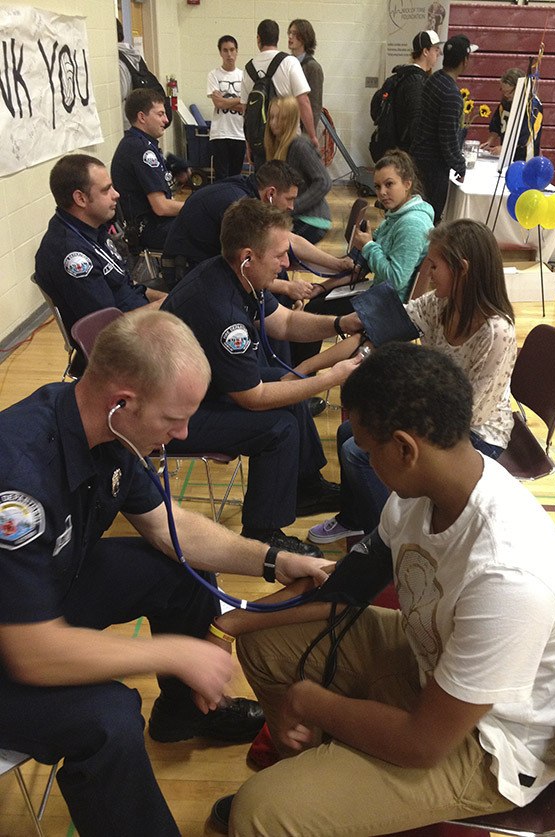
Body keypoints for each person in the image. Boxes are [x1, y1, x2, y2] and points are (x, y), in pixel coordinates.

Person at [206, 342, 555, 836]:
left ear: (405, 448)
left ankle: (304, 805)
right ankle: (319, 796)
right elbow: (345, 590)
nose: (362, 459)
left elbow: (423, 743)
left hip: (490, 745)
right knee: (263, 643)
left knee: (260, 812)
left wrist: (309, 701)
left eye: (367, 450)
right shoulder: (428, 489)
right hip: (434, 663)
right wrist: (231, 623)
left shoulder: (509, 577)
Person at [0, 308, 334, 837]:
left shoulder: (104, 430)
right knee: (108, 718)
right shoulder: (17, 478)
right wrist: (178, 653)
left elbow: (170, 528)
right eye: (172, 419)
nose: (181, 435)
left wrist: (273, 560)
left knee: (175, 570)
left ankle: (185, 714)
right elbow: (31, 652)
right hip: (17, 641)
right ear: (122, 402)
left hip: (38, 597)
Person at [161, 198, 364, 556]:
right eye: (280, 255)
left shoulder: (233, 274)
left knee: (289, 388)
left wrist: (338, 324)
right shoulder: (219, 310)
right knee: (278, 426)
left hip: (202, 387)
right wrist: (331, 376)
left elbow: (283, 322)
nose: (287, 263)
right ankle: (263, 533)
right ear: (247, 257)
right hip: (172, 416)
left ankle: (304, 488)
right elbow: (252, 398)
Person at [308, 218, 516, 544]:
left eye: (434, 265)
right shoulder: (440, 304)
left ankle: (388, 540)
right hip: (433, 410)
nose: (428, 272)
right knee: (350, 430)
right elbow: (381, 329)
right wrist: (309, 368)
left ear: (462, 269)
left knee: (357, 451)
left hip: (475, 431)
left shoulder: (496, 332)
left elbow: (471, 414)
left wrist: (403, 416)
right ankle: (355, 517)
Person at [291, 149, 434, 366]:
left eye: (389, 184)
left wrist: (368, 246)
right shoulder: (396, 216)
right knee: (318, 302)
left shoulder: (412, 224)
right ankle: (300, 375)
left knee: (314, 311)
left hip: (394, 307)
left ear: (407, 183)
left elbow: (395, 280)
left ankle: (301, 379)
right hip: (380, 294)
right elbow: (364, 266)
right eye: (378, 187)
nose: (382, 192)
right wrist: (324, 286)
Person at [162, 159, 352, 289]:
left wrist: (337, 264)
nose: (292, 207)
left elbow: (289, 239)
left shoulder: (246, 190)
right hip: (185, 272)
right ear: (271, 193)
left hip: (200, 262)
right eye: (289, 199)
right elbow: (246, 269)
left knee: (279, 279)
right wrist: (287, 288)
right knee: (276, 292)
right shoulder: (238, 204)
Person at [35, 154, 165, 342]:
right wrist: (168, 305)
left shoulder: (93, 228)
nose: (116, 194)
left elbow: (129, 287)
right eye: (106, 190)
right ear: (80, 198)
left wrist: (170, 299)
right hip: (121, 346)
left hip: (138, 322)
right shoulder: (72, 255)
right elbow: (108, 328)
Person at [410, 34, 478, 224]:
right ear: (465, 61)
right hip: (433, 167)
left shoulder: (434, 79)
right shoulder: (451, 94)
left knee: (417, 213)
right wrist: (460, 164)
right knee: (429, 218)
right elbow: (447, 139)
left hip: (419, 158)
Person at [111, 88, 183, 251]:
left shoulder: (139, 143)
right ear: (142, 117)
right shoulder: (141, 150)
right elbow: (161, 207)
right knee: (209, 232)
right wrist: (196, 207)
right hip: (149, 229)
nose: (165, 120)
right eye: (160, 114)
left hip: (154, 224)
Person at [241, 19, 318, 169]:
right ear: (278, 38)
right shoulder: (289, 62)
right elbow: (303, 101)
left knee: (264, 186)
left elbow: (246, 112)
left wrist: (248, 144)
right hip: (288, 141)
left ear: (258, 38)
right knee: (289, 186)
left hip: (260, 143)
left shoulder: (248, 68)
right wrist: (312, 136)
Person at [264, 96, 332, 243]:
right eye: (272, 117)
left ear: (291, 120)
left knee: (269, 246)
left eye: (280, 118)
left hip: (312, 220)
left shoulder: (300, 146)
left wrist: (293, 206)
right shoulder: (277, 146)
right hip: (295, 217)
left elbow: (324, 182)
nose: (274, 123)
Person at [389, 30, 443, 154]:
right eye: (436, 49)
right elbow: (416, 123)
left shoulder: (406, 74)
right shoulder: (416, 81)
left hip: (399, 149)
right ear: (425, 51)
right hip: (407, 153)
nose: (439, 53)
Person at [481, 68, 543, 161]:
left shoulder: (533, 107)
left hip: (524, 158)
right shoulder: (506, 101)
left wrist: (504, 149)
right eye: (503, 91)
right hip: (506, 156)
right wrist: (490, 141)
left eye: (509, 92)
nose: (506, 95)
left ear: (520, 89)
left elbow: (525, 136)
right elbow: (497, 123)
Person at [207, 35, 247, 181]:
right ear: (220, 52)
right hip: (220, 133)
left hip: (239, 133)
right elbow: (219, 104)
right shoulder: (214, 75)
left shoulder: (244, 76)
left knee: (236, 177)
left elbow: (245, 106)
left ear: (237, 51)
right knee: (221, 177)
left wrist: (225, 99)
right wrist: (239, 99)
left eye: (232, 50)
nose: (229, 54)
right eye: (225, 50)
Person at [287, 19, 324, 129]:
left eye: (294, 33)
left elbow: (315, 106)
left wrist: (308, 135)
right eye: (289, 32)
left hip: (301, 129)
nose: (290, 36)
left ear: (304, 37)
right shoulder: (285, 63)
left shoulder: (313, 68)